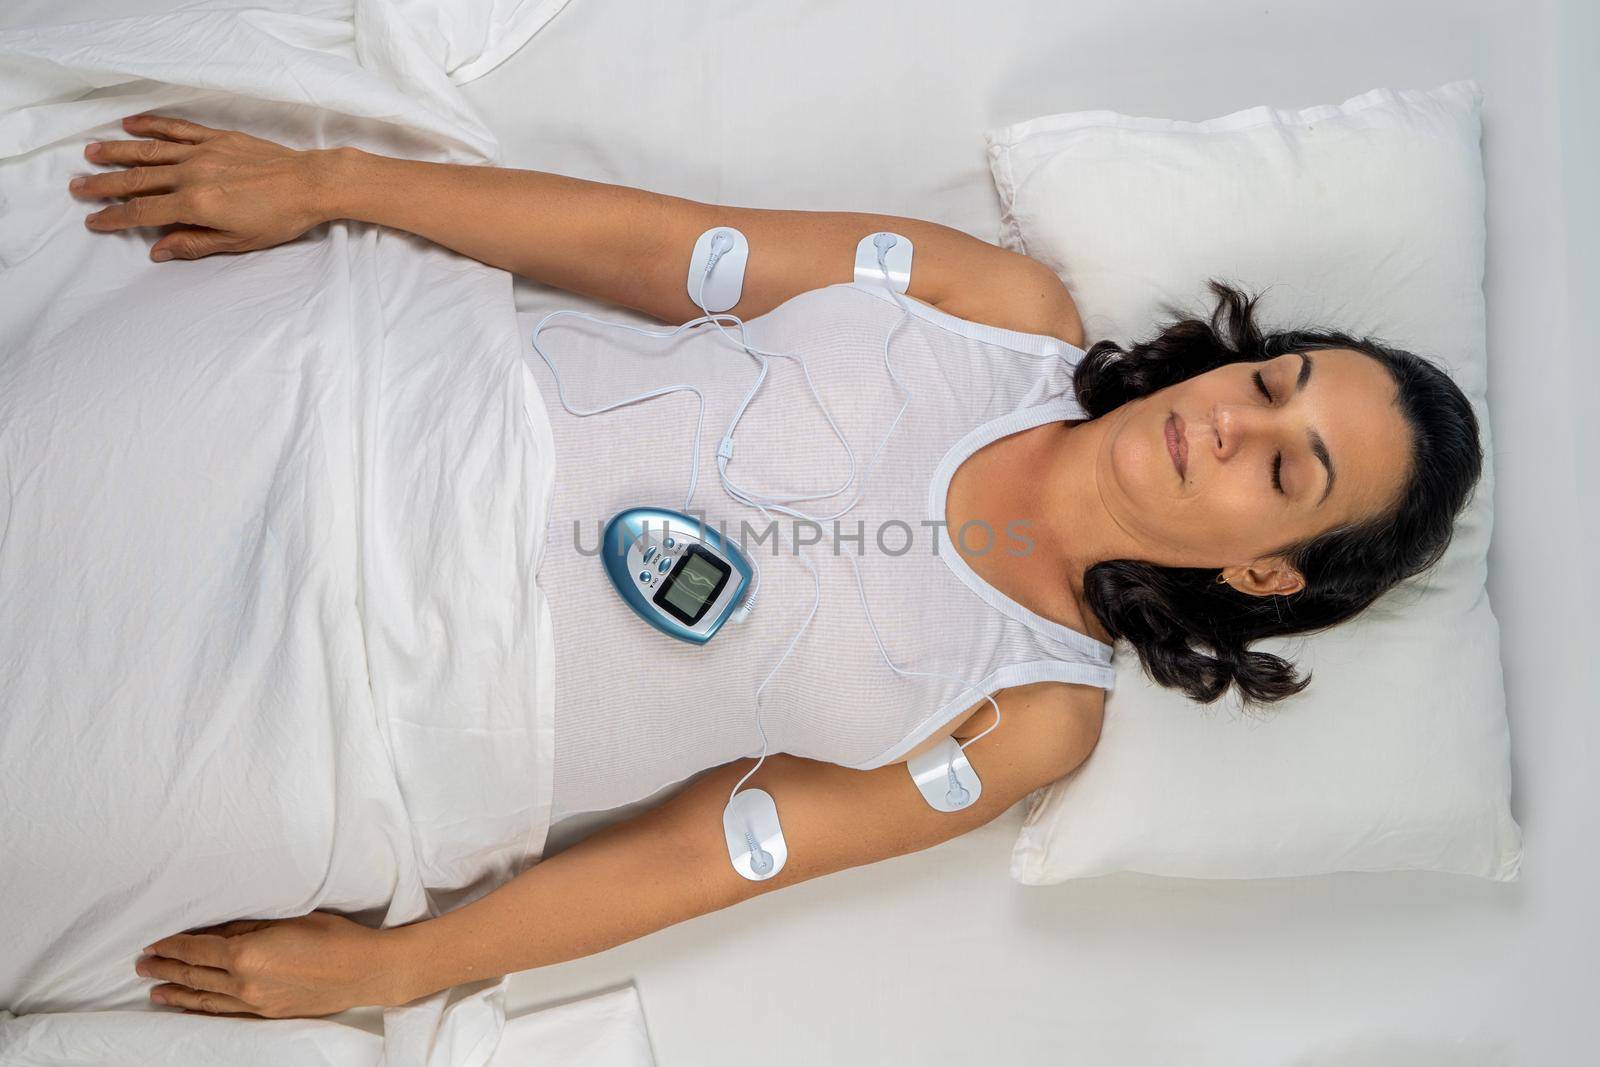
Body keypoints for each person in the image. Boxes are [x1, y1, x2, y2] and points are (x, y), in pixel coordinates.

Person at [70, 113, 1482, 1019]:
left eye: (1285, 469)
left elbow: (712, 853)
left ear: (1271, 576)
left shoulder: (1031, 710)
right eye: (1281, 378)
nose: (1233, 420)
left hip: (386, 717)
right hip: (385, 418)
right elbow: (663, 250)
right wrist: (327, 182)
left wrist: (394, 968)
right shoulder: (995, 310)